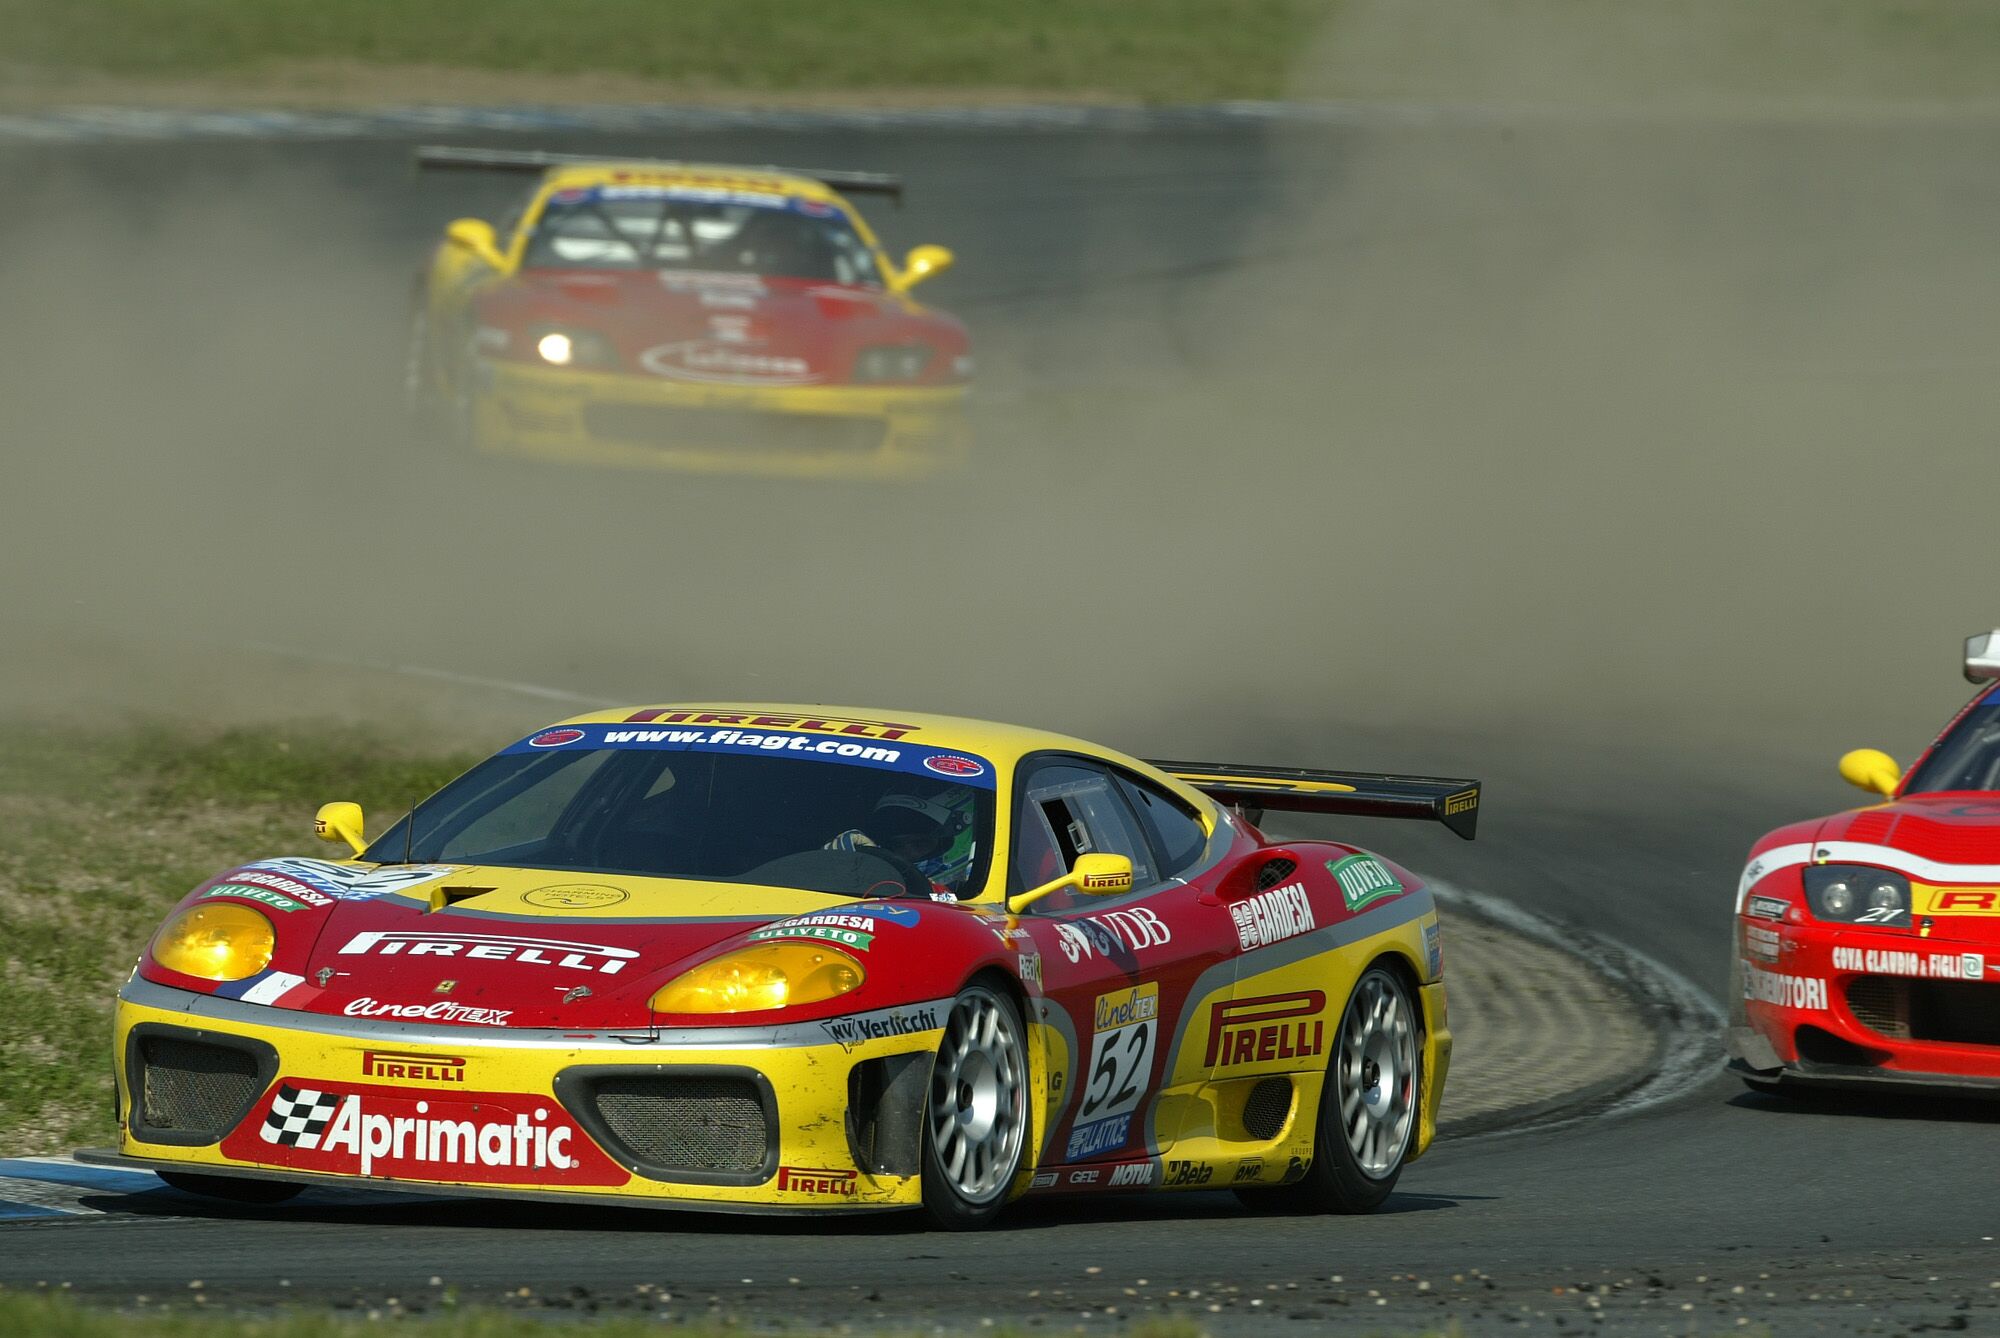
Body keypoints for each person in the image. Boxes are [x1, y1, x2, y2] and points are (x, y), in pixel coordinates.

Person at [825, 788, 977, 896]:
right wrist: (838, 856)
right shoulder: (873, 874)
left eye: (919, 843)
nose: (906, 853)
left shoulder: (972, 901)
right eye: (895, 844)